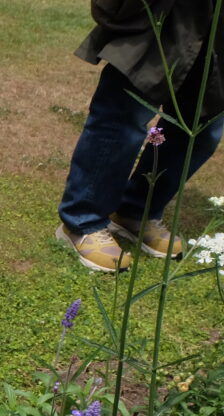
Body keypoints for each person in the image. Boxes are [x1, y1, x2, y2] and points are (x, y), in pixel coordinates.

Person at [55, 0, 224, 272]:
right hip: (169, 12)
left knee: (202, 127)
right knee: (125, 114)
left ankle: (137, 213)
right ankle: (82, 221)